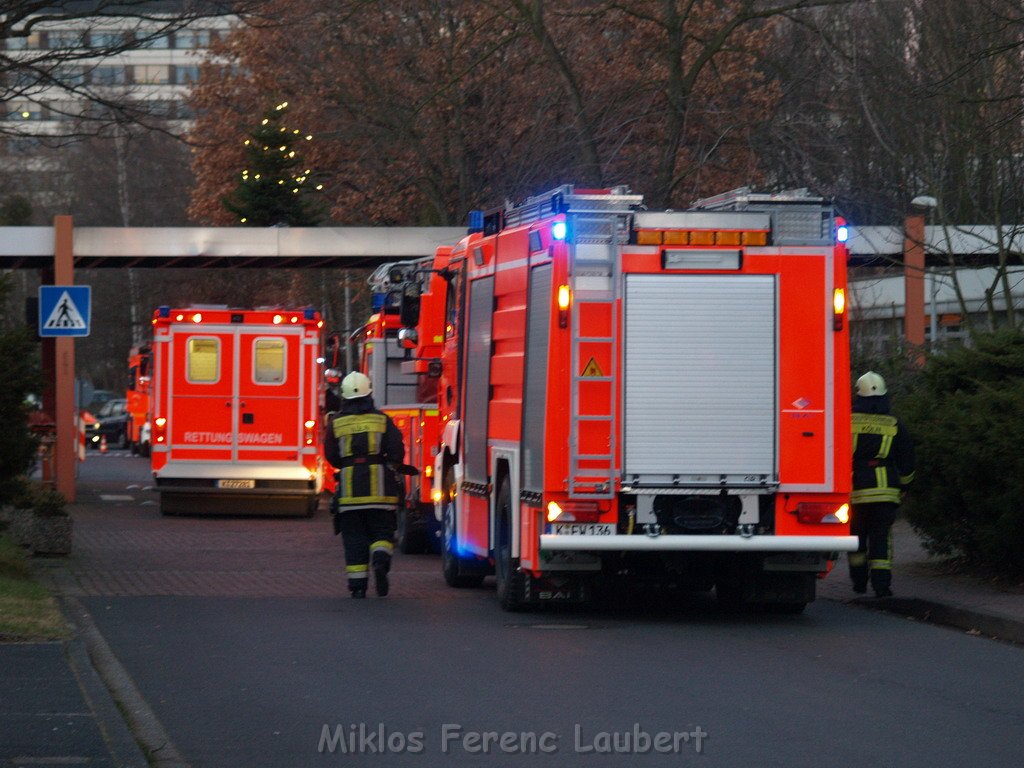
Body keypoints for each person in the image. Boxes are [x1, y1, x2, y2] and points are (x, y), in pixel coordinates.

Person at [323, 372, 405, 598]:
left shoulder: (336, 423)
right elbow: (397, 449)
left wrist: (347, 465)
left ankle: (358, 587)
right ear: (369, 393)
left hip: (350, 494)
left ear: (344, 396)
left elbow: (331, 456)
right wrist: (389, 464)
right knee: (382, 532)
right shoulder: (381, 419)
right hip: (380, 493)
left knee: (354, 538)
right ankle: (380, 562)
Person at [849, 371, 915, 598]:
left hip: (855, 490)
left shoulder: (847, 421)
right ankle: (882, 586)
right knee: (881, 540)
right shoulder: (895, 423)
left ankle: (858, 582)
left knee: (856, 539)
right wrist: (905, 486)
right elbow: (907, 459)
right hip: (886, 491)